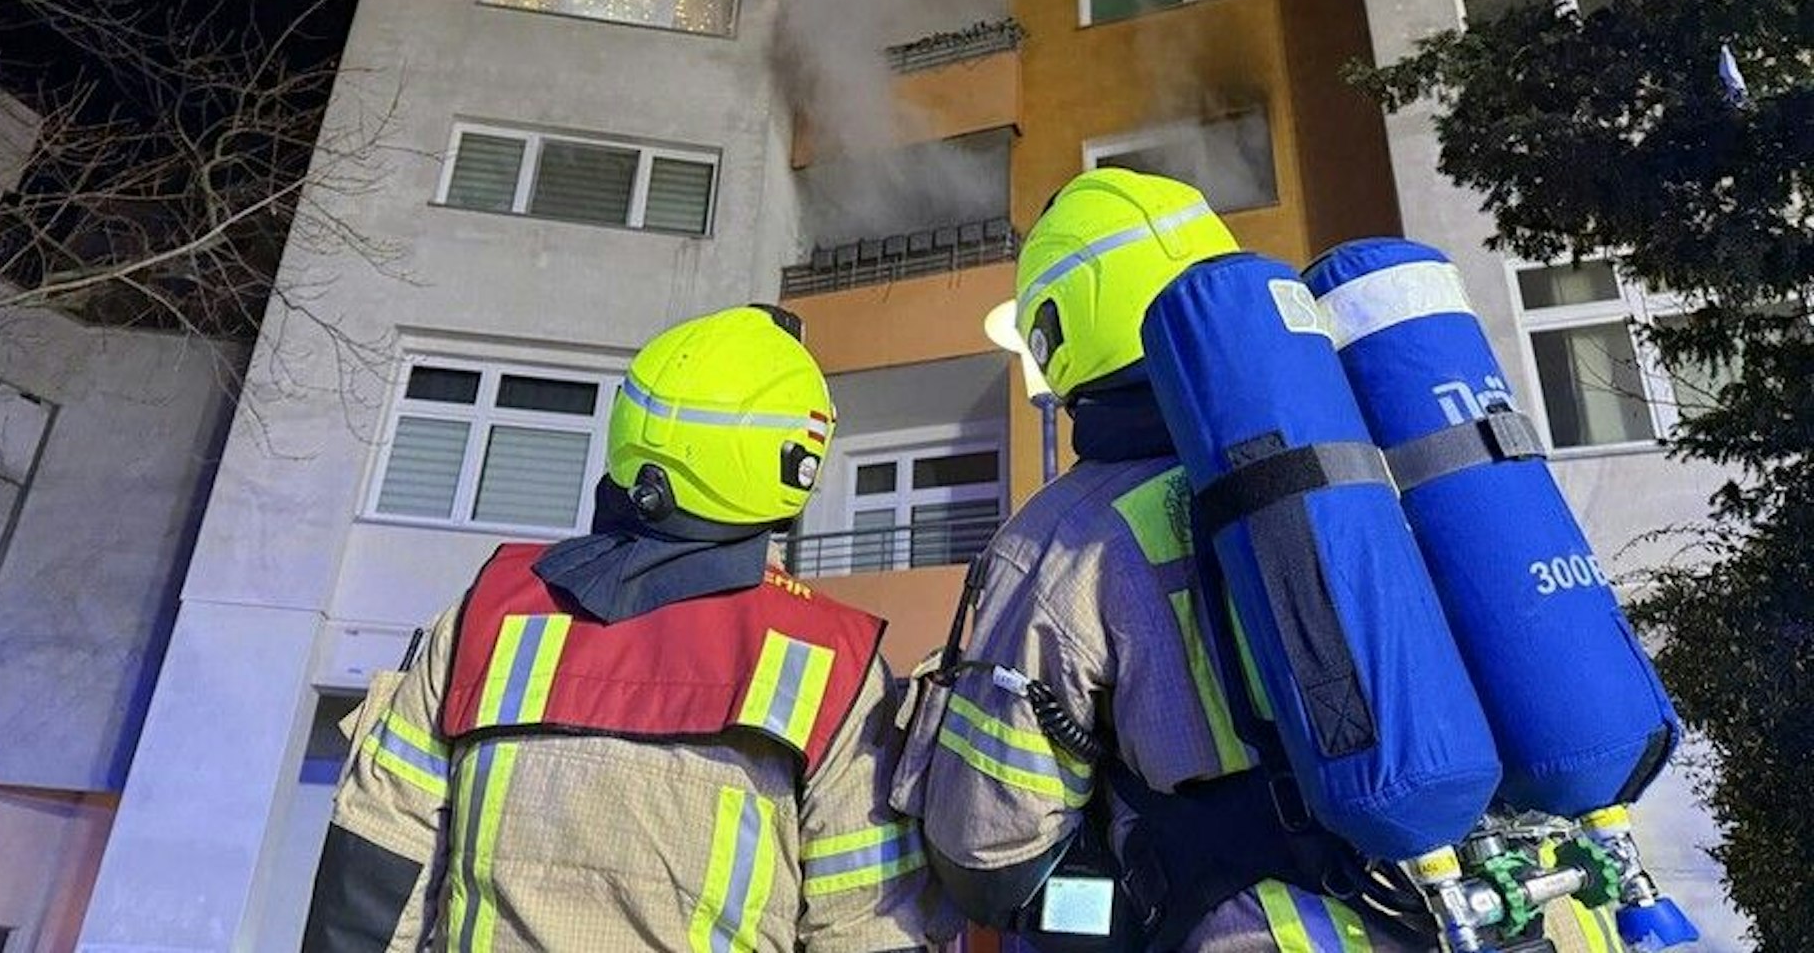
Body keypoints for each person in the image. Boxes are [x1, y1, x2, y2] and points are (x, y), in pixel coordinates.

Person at [890, 168, 1431, 953]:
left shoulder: (1059, 541)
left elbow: (990, 854)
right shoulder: (1372, 457)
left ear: (1057, 334)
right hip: (1490, 910)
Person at [305, 304, 948, 953]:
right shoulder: (829, 663)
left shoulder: (491, 613)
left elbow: (375, 875)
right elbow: (868, 928)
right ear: (793, 464)